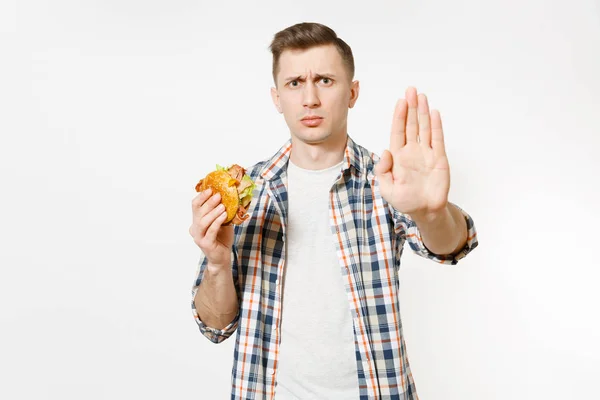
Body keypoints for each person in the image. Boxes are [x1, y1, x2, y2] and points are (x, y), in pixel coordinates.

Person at [189, 22, 478, 400]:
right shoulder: (246, 195)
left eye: (325, 80)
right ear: (277, 98)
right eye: (295, 83)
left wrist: (431, 212)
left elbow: (452, 246)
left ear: (352, 92)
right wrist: (216, 263)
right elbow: (215, 325)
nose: (310, 98)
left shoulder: (386, 181)